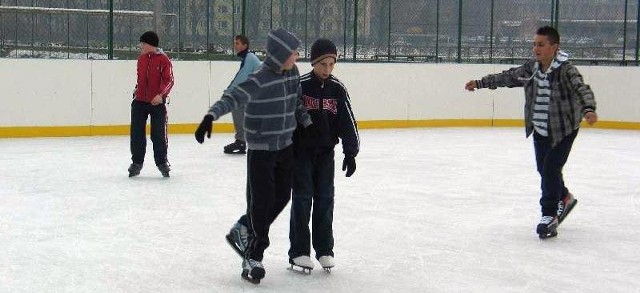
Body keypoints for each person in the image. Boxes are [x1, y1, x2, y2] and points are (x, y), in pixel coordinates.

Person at [194, 28, 315, 284]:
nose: (297, 56)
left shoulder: (292, 73)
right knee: (260, 204)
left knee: (282, 195)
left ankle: (242, 227)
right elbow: (233, 97)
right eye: (294, 52)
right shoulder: (259, 78)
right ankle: (253, 256)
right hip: (261, 151)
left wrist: (307, 123)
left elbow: (296, 102)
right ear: (282, 54)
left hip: (285, 146)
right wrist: (210, 116)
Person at [464, 26, 597, 238]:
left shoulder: (566, 70)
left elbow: (582, 89)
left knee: (551, 169)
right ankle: (565, 197)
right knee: (544, 170)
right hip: (540, 129)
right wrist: (480, 83)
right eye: (534, 44)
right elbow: (508, 77)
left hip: (563, 130)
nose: (536, 48)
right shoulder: (531, 69)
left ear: (554, 47)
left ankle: (549, 215)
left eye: (541, 45)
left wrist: (589, 109)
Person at [288, 38, 359, 272]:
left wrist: (350, 152)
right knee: (302, 199)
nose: (327, 70)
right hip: (300, 154)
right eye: (323, 65)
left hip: (326, 155)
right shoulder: (300, 85)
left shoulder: (337, 89)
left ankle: (325, 250)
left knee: (325, 199)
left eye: (331, 65)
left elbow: (347, 122)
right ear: (313, 63)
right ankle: (299, 251)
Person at [128, 31, 174, 178]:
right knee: (136, 134)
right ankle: (136, 163)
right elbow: (140, 79)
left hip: (157, 103)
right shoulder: (141, 59)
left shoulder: (164, 60)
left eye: (143, 43)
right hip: (139, 102)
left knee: (158, 134)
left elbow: (170, 80)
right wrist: (136, 90)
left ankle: (162, 162)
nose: (141, 46)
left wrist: (161, 95)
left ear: (150, 44)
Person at [222, 35, 262, 154]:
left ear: (245, 46)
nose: (235, 46)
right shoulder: (248, 57)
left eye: (237, 43)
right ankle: (242, 140)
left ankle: (241, 141)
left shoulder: (249, 58)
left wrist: (229, 92)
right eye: (234, 43)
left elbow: (241, 78)